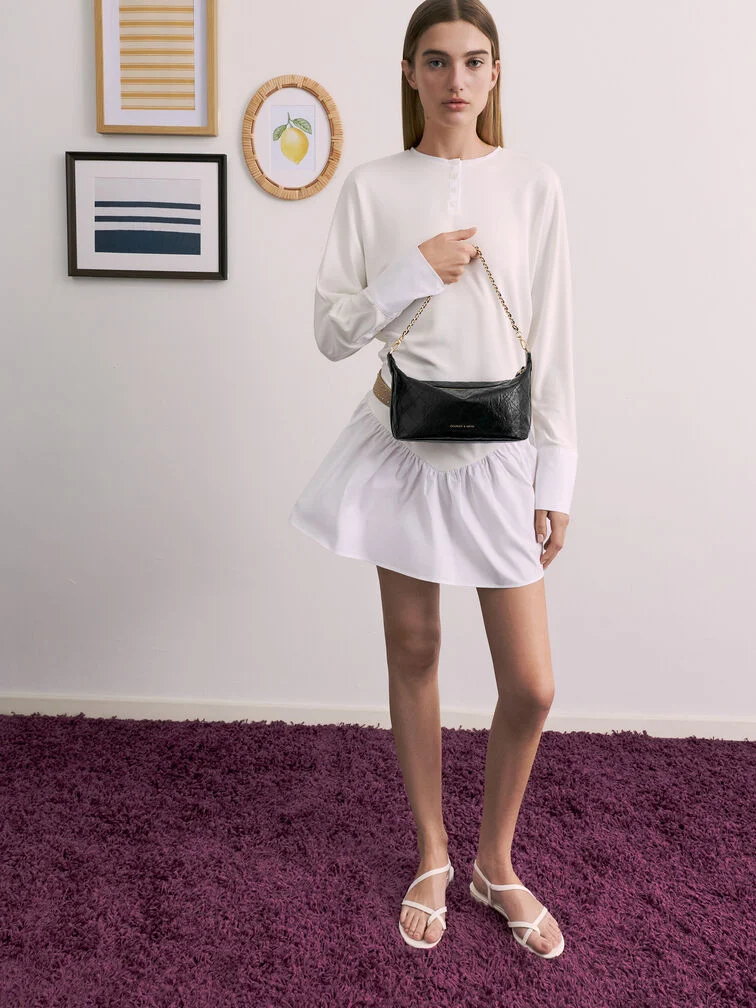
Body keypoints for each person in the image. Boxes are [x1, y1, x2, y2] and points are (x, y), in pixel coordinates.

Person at [288, 0, 576, 958]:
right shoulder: (373, 187)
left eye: (476, 61)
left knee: (531, 685)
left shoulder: (534, 185)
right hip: (401, 446)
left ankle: (497, 862)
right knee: (415, 651)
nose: (458, 80)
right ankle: (433, 852)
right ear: (410, 72)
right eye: (438, 61)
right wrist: (412, 270)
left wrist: (556, 475)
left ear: (496, 74)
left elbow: (554, 341)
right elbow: (331, 332)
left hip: (499, 457)